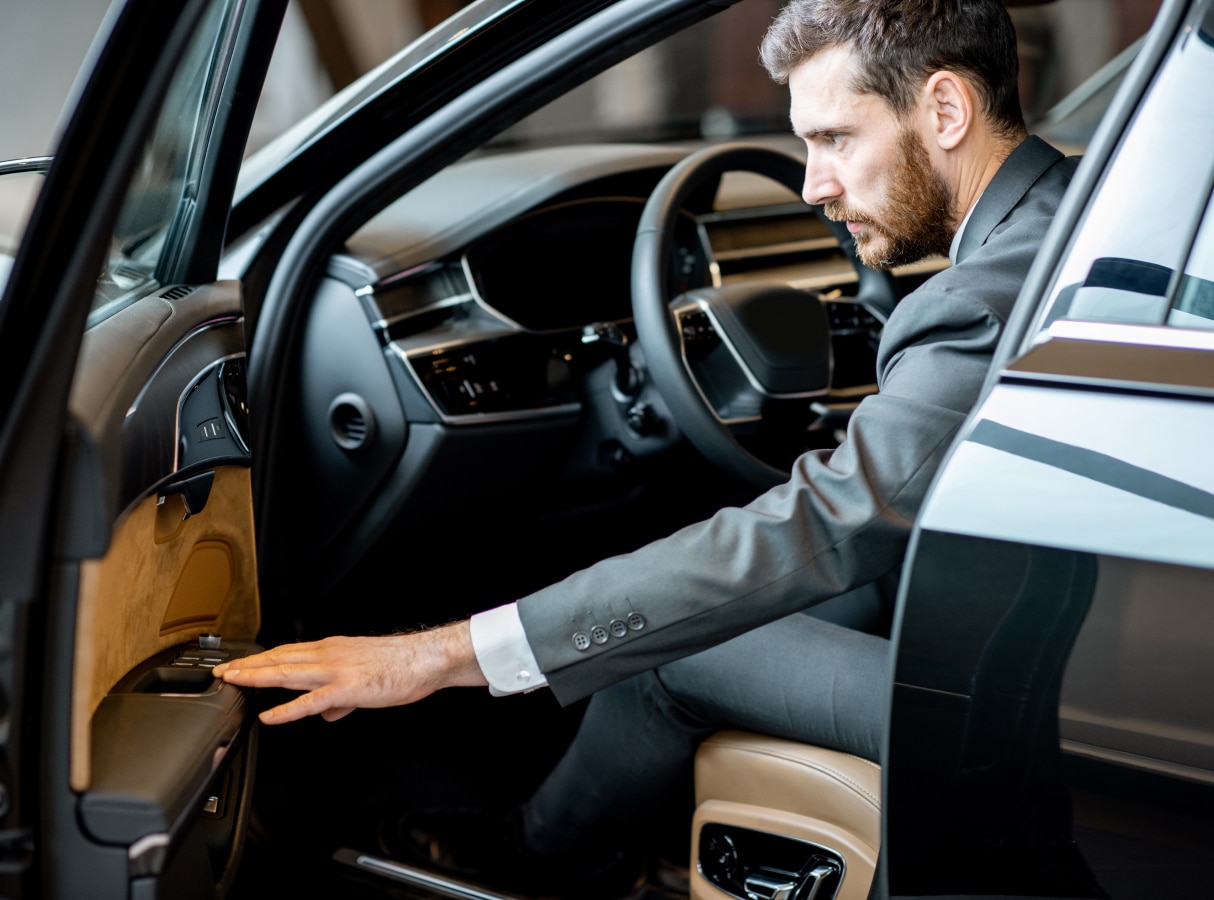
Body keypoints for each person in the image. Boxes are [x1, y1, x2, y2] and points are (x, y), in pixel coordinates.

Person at [215, 0, 1080, 892]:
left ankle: (537, 863)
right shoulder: (1076, 216)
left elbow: (830, 518)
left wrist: (439, 654)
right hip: (1048, 647)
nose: (813, 185)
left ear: (945, 110)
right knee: (725, 606)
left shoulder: (975, 302)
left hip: (1025, 718)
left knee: (670, 645)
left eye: (835, 139)